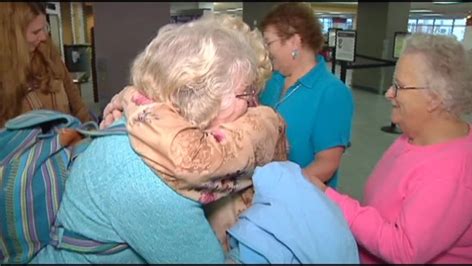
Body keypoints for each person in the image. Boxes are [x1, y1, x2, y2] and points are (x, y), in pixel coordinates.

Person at [30, 15, 285, 263]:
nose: (252, 106)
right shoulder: (151, 179)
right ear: (207, 97)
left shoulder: (143, 122)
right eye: (247, 93)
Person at [98, 14, 287, 252]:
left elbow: (195, 158)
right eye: (247, 92)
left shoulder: (257, 124)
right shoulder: (143, 171)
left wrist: (130, 99)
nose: (251, 106)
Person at [310, 33, 472, 263]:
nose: (389, 93)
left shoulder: (451, 174)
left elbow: (404, 250)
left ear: (434, 98)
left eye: (399, 86)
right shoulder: (414, 136)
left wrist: (331, 199)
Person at [258, 2, 354, 188]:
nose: (266, 52)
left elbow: (326, 164)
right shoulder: (272, 81)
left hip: (300, 200)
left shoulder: (332, 93)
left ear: (294, 41)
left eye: (269, 43)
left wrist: (282, 188)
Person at [0, 2, 92, 127]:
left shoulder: (49, 54)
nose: (43, 37)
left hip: (72, 141)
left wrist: (90, 132)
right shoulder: (4, 75)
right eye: (36, 32)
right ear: (14, 36)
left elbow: (77, 104)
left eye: (45, 28)